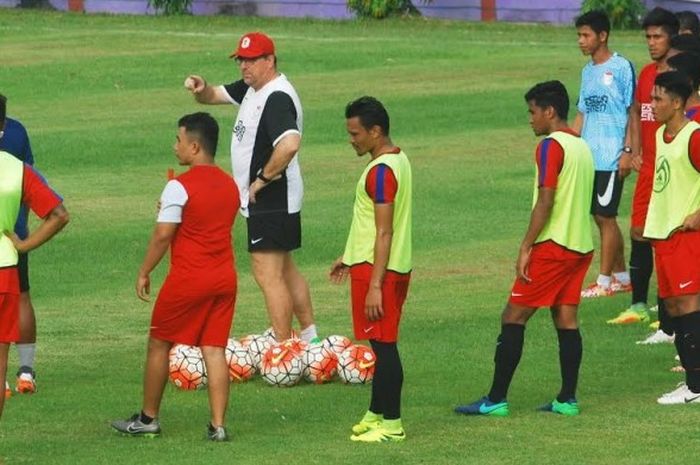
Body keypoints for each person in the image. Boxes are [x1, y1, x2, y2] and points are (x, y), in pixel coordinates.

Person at [455, 81, 594, 417]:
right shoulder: (582, 146)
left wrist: (525, 246)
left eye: (533, 112)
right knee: (566, 318)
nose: (530, 119)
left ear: (550, 111)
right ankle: (567, 399)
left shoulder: (550, 147)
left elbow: (545, 201)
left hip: (554, 247)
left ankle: (496, 399)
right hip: (581, 246)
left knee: (513, 315)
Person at [111, 113, 239, 440]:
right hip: (224, 278)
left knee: (159, 342)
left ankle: (148, 418)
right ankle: (218, 425)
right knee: (214, 348)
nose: (175, 146)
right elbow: (208, 219)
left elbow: (163, 235)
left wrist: (144, 271)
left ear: (194, 146)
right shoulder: (229, 183)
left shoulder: (178, 185)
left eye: (179, 140)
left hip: (189, 279)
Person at [185, 32, 319, 343]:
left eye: (251, 60)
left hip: (272, 196)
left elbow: (289, 145)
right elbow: (214, 95)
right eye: (241, 60)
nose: (244, 66)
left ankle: (284, 347)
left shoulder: (277, 97)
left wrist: (262, 179)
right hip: (274, 197)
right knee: (285, 269)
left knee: (266, 273)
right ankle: (310, 338)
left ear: (270, 60)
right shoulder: (252, 88)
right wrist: (201, 88)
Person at [330, 96, 412, 442]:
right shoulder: (397, 159)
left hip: (380, 271)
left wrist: (375, 284)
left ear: (375, 132)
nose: (352, 139)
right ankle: (376, 412)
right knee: (380, 342)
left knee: (384, 346)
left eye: (355, 133)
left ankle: (392, 425)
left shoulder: (380, 173)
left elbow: (384, 230)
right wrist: (348, 255)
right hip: (387, 265)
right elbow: (369, 225)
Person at [608, 7, 679, 325]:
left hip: (672, 171)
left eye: (657, 36)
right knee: (638, 231)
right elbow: (636, 112)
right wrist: (633, 149)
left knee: (668, 239)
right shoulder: (647, 74)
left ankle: (669, 313)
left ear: (672, 37)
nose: (651, 42)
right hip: (647, 167)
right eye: (648, 37)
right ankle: (639, 304)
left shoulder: (682, 77)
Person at [0, 94, 69, 420]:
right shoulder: (17, 161)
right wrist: (24, 244)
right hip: (8, 259)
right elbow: (58, 214)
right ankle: (25, 372)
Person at [640, 71, 700, 404]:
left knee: (689, 307)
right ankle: (692, 383)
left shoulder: (694, 136)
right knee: (675, 310)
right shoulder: (662, 135)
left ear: (677, 103)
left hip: (685, 235)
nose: (652, 104)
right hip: (662, 234)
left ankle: (696, 387)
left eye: (658, 98)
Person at [573, 10, 635, 299]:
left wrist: (627, 150)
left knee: (604, 216)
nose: (581, 41)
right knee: (601, 218)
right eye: (579, 35)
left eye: (585, 35)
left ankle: (604, 281)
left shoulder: (621, 67)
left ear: (603, 35)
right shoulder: (587, 72)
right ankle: (623, 277)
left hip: (611, 156)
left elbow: (632, 112)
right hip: (589, 157)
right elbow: (582, 114)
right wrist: (567, 146)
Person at [0, 96, 40, 398]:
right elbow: (30, 181)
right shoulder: (17, 132)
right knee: (22, 297)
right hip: (15, 236)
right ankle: (26, 371)